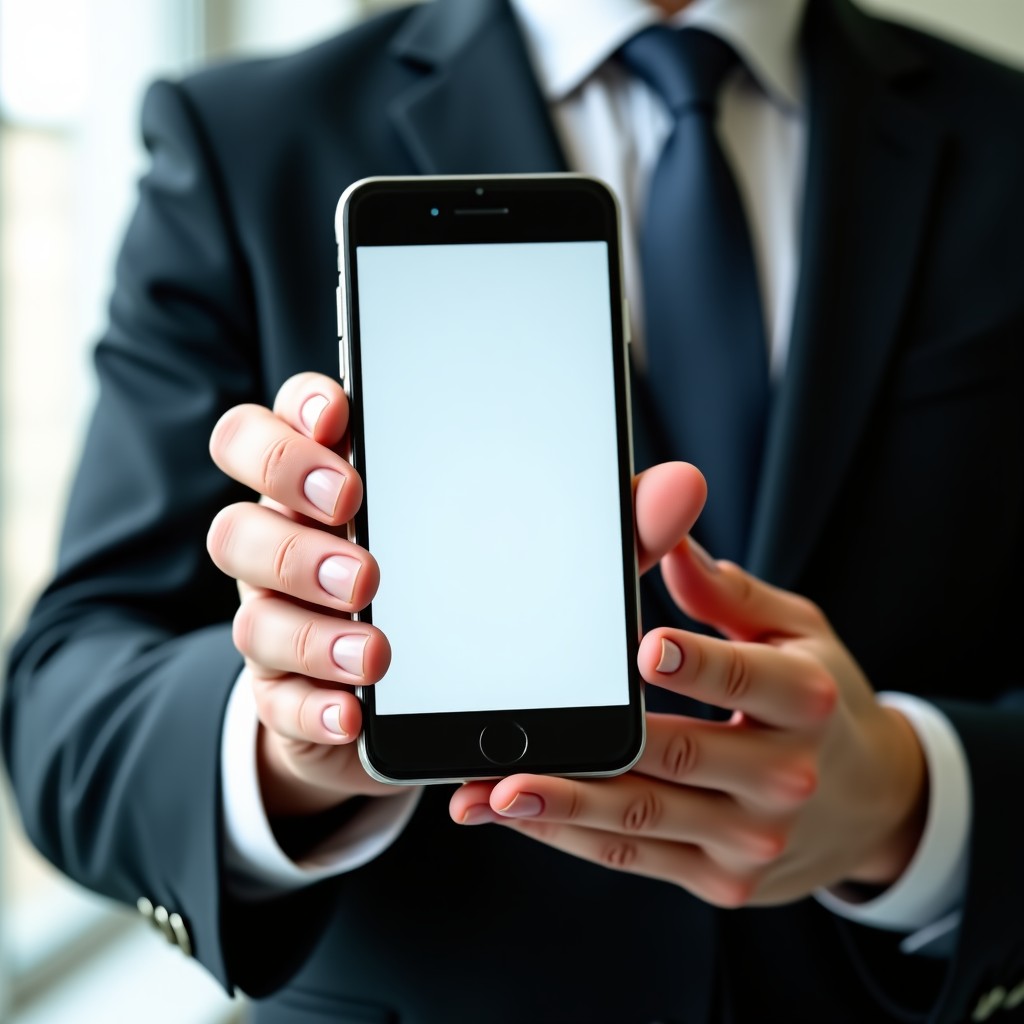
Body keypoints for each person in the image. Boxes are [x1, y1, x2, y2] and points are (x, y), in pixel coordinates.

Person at [3, 0, 1022, 1021]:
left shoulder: (1003, 138)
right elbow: (64, 702)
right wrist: (282, 743)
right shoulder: (248, 138)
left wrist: (915, 803)